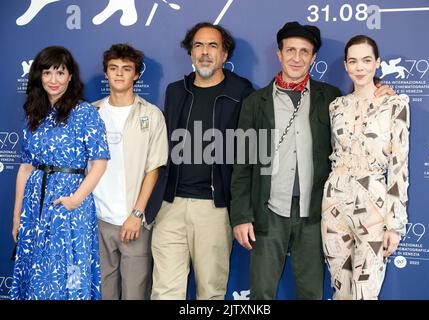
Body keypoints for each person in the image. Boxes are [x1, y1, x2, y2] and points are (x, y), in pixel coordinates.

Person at [230, 22, 394, 300]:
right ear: (279, 54)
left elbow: (359, 113)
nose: (297, 57)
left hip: (316, 214)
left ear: (313, 57)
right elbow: (243, 163)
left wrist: (379, 91)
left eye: (304, 51)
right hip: (268, 212)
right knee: (261, 294)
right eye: (290, 50)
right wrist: (242, 216)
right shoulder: (255, 102)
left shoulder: (331, 99)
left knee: (311, 292)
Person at [148, 22, 254, 300]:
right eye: (198, 45)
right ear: (191, 53)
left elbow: (251, 153)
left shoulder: (242, 92)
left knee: (210, 291)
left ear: (225, 55)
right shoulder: (175, 91)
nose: (205, 52)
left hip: (215, 210)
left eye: (212, 46)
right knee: (164, 291)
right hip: (170, 207)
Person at [10, 46, 110, 300]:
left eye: (60, 73)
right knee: (35, 270)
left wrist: (75, 200)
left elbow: (99, 163)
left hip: (70, 207)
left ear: (70, 77)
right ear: (39, 77)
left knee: (71, 270)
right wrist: (17, 216)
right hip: (35, 207)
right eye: (47, 73)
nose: (53, 80)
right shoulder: (34, 113)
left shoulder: (85, 113)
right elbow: (25, 166)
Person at [321, 35, 409, 300]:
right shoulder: (336, 106)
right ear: (346, 66)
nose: (360, 67)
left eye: (366, 60)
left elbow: (399, 165)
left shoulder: (396, 104)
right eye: (353, 61)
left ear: (377, 63)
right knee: (341, 290)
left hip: (373, 201)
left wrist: (395, 224)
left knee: (365, 293)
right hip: (334, 200)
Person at [92, 44, 168, 300]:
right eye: (113, 68)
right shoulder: (90, 114)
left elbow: (153, 168)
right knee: (103, 294)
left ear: (136, 74)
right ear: (106, 73)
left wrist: (137, 213)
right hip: (97, 220)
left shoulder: (151, 114)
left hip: (134, 222)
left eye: (126, 69)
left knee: (135, 294)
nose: (119, 74)